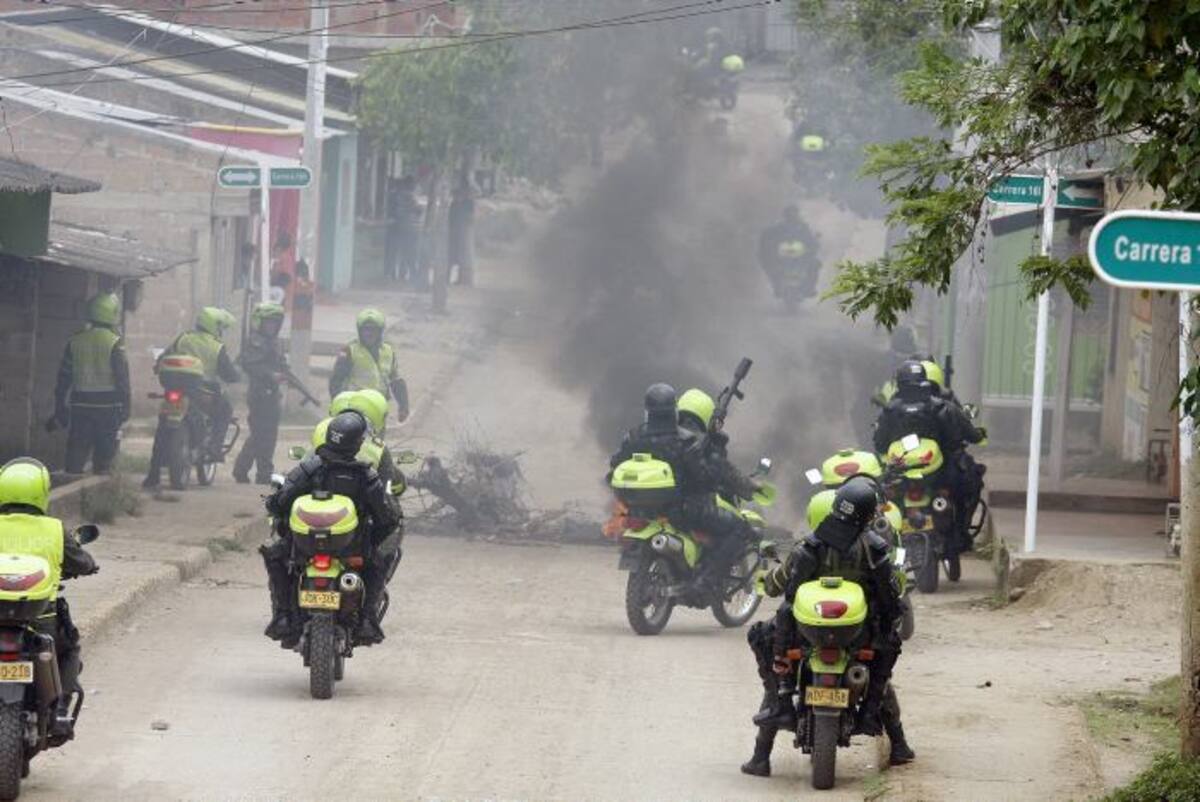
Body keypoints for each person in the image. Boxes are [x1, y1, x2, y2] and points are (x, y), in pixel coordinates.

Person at [742, 477, 913, 776]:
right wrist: (889, 622)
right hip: (859, 636)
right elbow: (890, 599)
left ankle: (761, 755)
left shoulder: (808, 546)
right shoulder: (874, 550)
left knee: (771, 654)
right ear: (868, 514)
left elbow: (777, 587)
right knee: (881, 672)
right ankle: (897, 743)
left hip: (803, 634)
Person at [261, 411, 401, 646]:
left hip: (304, 549)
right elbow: (387, 517)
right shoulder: (365, 476)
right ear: (357, 443)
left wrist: (276, 510)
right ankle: (367, 621)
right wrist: (372, 540)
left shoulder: (308, 469)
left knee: (275, 557)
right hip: (353, 549)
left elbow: (280, 502)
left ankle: (283, 617)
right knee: (379, 562)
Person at [609, 384, 760, 590]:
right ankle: (706, 581)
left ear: (647, 411)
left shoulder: (632, 437)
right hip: (686, 510)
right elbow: (704, 477)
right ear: (673, 411)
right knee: (739, 528)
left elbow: (614, 467)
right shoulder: (685, 441)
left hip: (639, 509)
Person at [0, 458, 98, 739]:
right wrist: (89, 565)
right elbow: (82, 562)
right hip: (41, 621)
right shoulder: (54, 530)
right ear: (42, 492)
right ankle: (59, 711)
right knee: (69, 649)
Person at [873, 360, 985, 552]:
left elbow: (880, 443)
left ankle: (887, 546)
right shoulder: (943, 406)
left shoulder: (890, 410)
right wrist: (976, 435)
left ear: (898, 383)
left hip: (901, 476)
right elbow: (965, 433)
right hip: (940, 474)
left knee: (882, 498)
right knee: (970, 483)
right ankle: (959, 536)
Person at [144, 307, 240, 489]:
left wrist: (158, 367)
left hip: (174, 389)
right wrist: (237, 376)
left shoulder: (183, 338)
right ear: (214, 326)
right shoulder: (217, 346)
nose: (221, 331)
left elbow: (164, 357)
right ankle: (214, 448)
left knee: (162, 429)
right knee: (226, 409)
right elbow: (229, 374)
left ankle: (153, 475)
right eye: (220, 327)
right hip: (203, 394)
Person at [54, 292, 131, 474]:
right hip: (108, 408)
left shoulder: (75, 341)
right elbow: (122, 380)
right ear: (111, 314)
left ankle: (71, 484)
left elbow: (63, 378)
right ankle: (100, 493)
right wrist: (126, 407)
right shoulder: (115, 342)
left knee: (76, 453)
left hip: (80, 406)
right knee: (105, 456)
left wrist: (59, 407)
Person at [233, 303, 287, 485]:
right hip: (259, 394)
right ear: (260, 323)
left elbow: (280, 364)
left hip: (272, 394)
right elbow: (249, 364)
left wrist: (285, 374)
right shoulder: (256, 341)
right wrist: (271, 375)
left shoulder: (275, 342)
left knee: (263, 434)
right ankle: (263, 473)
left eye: (275, 323)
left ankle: (243, 469)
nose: (271, 327)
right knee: (262, 434)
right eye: (268, 323)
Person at [328, 308, 410, 422]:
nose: (369, 333)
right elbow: (336, 380)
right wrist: (337, 405)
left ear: (380, 331)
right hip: (354, 408)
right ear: (359, 331)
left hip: (378, 408)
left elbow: (396, 381)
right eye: (365, 330)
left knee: (377, 439)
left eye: (373, 330)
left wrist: (404, 408)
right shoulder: (349, 351)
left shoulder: (388, 352)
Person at [757, 205, 819, 298]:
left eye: (794, 213)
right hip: (782, 256)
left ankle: (809, 287)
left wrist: (812, 246)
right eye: (790, 213)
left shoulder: (802, 226)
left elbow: (810, 239)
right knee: (770, 266)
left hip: (800, 255)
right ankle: (777, 285)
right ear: (785, 215)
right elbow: (770, 238)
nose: (792, 215)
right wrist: (770, 247)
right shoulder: (778, 227)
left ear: (797, 214)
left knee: (815, 264)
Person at [387, 176, 424, 285]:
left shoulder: (397, 195)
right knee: (410, 253)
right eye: (414, 184)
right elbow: (418, 210)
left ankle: (398, 275)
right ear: (411, 185)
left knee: (400, 252)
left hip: (401, 227)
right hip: (409, 228)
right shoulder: (409, 196)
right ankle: (411, 276)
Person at [448, 179, 476, 287]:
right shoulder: (454, 204)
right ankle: (448, 278)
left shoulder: (468, 203)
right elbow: (451, 219)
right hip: (454, 234)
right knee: (452, 257)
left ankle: (462, 279)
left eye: (457, 195)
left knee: (461, 258)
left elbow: (470, 218)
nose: (455, 197)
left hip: (462, 235)